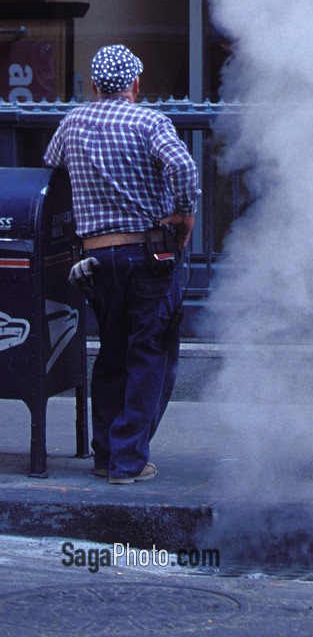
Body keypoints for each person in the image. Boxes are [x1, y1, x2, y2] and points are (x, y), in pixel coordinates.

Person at [43, 44, 200, 484]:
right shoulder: (149, 121)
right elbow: (184, 168)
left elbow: (51, 165)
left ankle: (105, 454)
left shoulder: (73, 122)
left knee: (111, 353)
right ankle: (129, 461)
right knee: (150, 353)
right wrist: (184, 214)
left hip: (97, 257)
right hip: (149, 254)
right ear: (135, 83)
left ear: (94, 87)